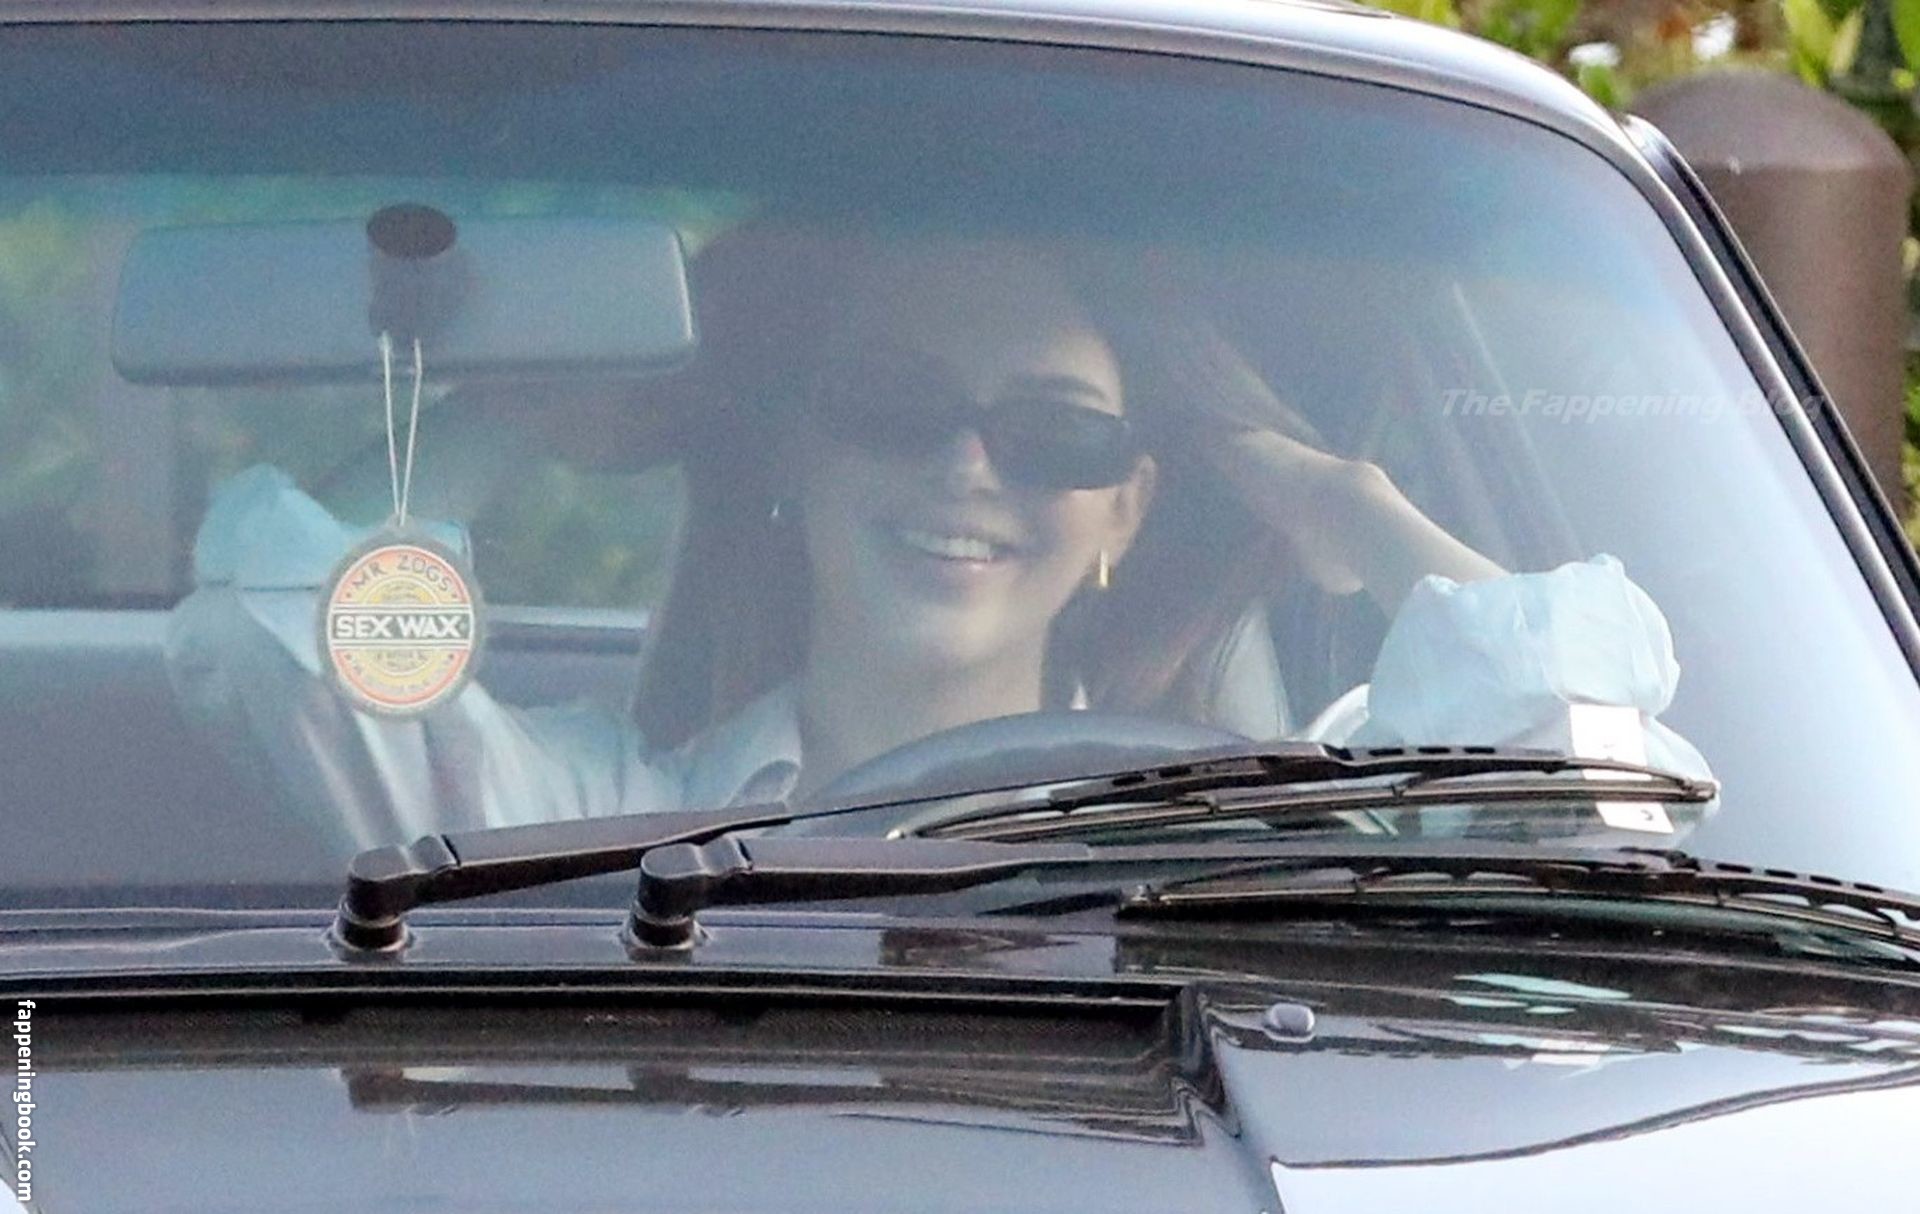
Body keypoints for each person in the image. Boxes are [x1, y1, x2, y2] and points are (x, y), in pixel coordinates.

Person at [166, 226, 1706, 855]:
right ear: (794, 453)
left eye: (1056, 436)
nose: (968, 465)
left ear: (1127, 506)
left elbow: (1590, 774)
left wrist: (1340, 502)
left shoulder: (1262, 830)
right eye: (895, 406)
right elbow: (271, 632)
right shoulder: (603, 821)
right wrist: (527, 409)